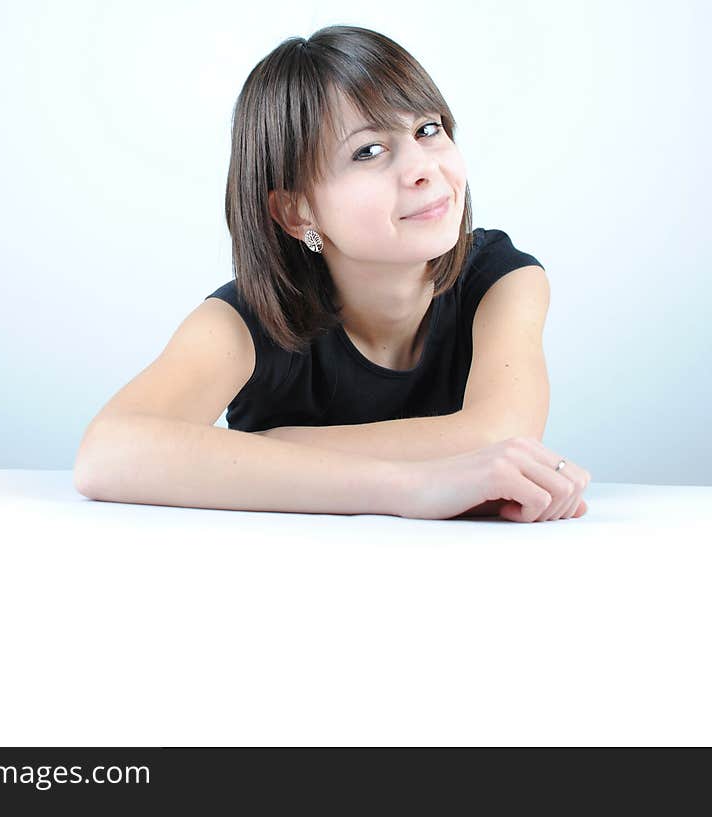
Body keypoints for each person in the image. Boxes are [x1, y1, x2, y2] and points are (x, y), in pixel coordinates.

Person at [74, 25, 591, 523]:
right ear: (298, 212)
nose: (423, 168)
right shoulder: (242, 322)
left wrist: (259, 453)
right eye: (369, 151)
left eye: (427, 129)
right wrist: (411, 488)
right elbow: (107, 453)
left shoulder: (502, 280)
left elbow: (500, 434)